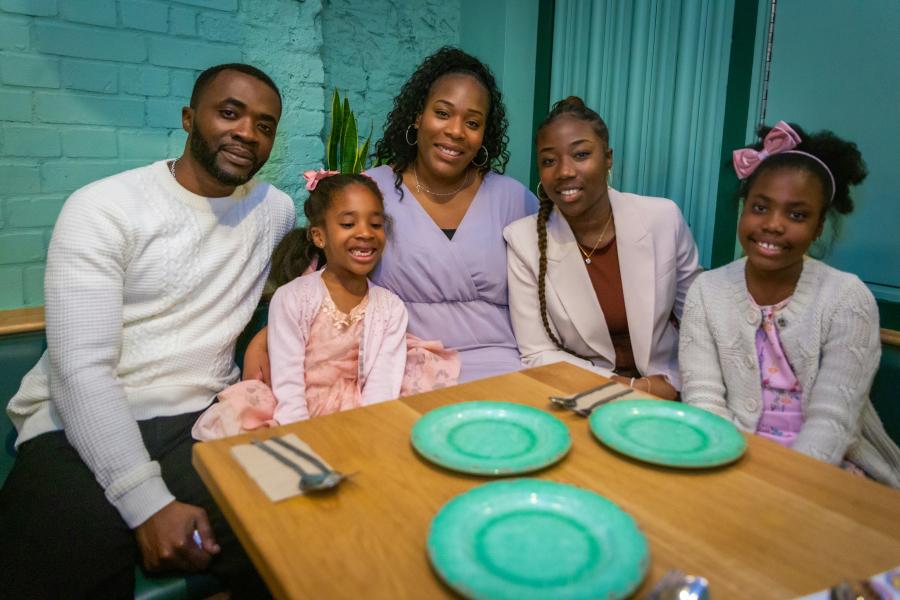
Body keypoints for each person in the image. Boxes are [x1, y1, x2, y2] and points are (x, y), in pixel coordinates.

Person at [0, 64, 295, 597]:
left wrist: (266, 337)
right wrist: (148, 503)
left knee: (309, 523)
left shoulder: (273, 210)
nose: (248, 133)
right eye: (230, 113)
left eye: (265, 125)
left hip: (203, 418)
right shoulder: (103, 207)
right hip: (73, 420)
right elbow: (80, 368)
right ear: (189, 118)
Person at [243, 47, 537, 384]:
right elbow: (325, 279)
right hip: (401, 367)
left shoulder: (514, 199)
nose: (456, 131)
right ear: (417, 117)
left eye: (472, 122)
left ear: (484, 134)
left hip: (505, 364)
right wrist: (266, 337)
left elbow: (556, 288)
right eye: (442, 113)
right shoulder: (371, 191)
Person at [679, 121, 900, 487]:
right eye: (760, 208)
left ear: (818, 227)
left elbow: (833, 423)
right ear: (743, 209)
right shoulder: (707, 291)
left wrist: (783, 487)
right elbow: (703, 399)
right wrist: (734, 473)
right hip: (730, 459)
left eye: (796, 215)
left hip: (828, 470)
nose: (774, 225)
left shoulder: (848, 298)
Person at [191, 172, 458, 440]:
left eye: (375, 224)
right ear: (319, 237)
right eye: (348, 224)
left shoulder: (391, 308)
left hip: (362, 412)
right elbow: (288, 384)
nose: (365, 233)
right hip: (295, 412)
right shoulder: (293, 299)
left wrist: (369, 434)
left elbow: (382, 387)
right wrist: (302, 438)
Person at [504, 97, 701, 400]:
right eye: (548, 160)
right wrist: (630, 388)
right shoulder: (523, 241)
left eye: (581, 154)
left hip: (672, 387)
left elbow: (698, 321)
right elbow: (537, 352)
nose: (565, 171)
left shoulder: (662, 219)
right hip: (584, 393)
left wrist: (677, 384)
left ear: (608, 158)